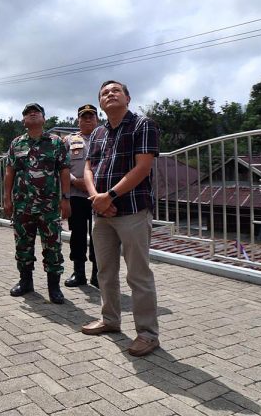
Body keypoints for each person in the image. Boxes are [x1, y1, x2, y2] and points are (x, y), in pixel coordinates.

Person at [82, 80, 161, 357]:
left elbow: (143, 167)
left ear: (128, 98)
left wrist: (110, 196)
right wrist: (97, 198)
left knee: (138, 275)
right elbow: (89, 168)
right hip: (102, 213)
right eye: (105, 93)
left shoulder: (142, 125)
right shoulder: (98, 132)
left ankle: (147, 334)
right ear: (100, 103)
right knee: (105, 271)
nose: (110, 94)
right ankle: (110, 320)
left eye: (116, 91)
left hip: (133, 211)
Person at [3, 103, 71, 304]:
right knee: (23, 245)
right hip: (22, 205)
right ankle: (25, 282)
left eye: (36, 111)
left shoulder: (56, 142)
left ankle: (54, 287)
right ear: (23, 121)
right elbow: (9, 172)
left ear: (44, 118)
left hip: (49, 206)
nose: (32, 114)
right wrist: (7, 199)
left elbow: (64, 171)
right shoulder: (16, 144)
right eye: (27, 113)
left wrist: (66, 198)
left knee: (53, 246)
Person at [63, 105, 99, 288]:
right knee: (77, 234)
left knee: (99, 235)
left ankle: (98, 275)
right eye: (84, 117)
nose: (88, 119)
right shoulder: (69, 140)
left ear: (97, 119)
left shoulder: (105, 138)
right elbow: (61, 166)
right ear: (78, 120)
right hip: (76, 195)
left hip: (99, 196)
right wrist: (74, 181)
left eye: (91, 116)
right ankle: (79, 273)